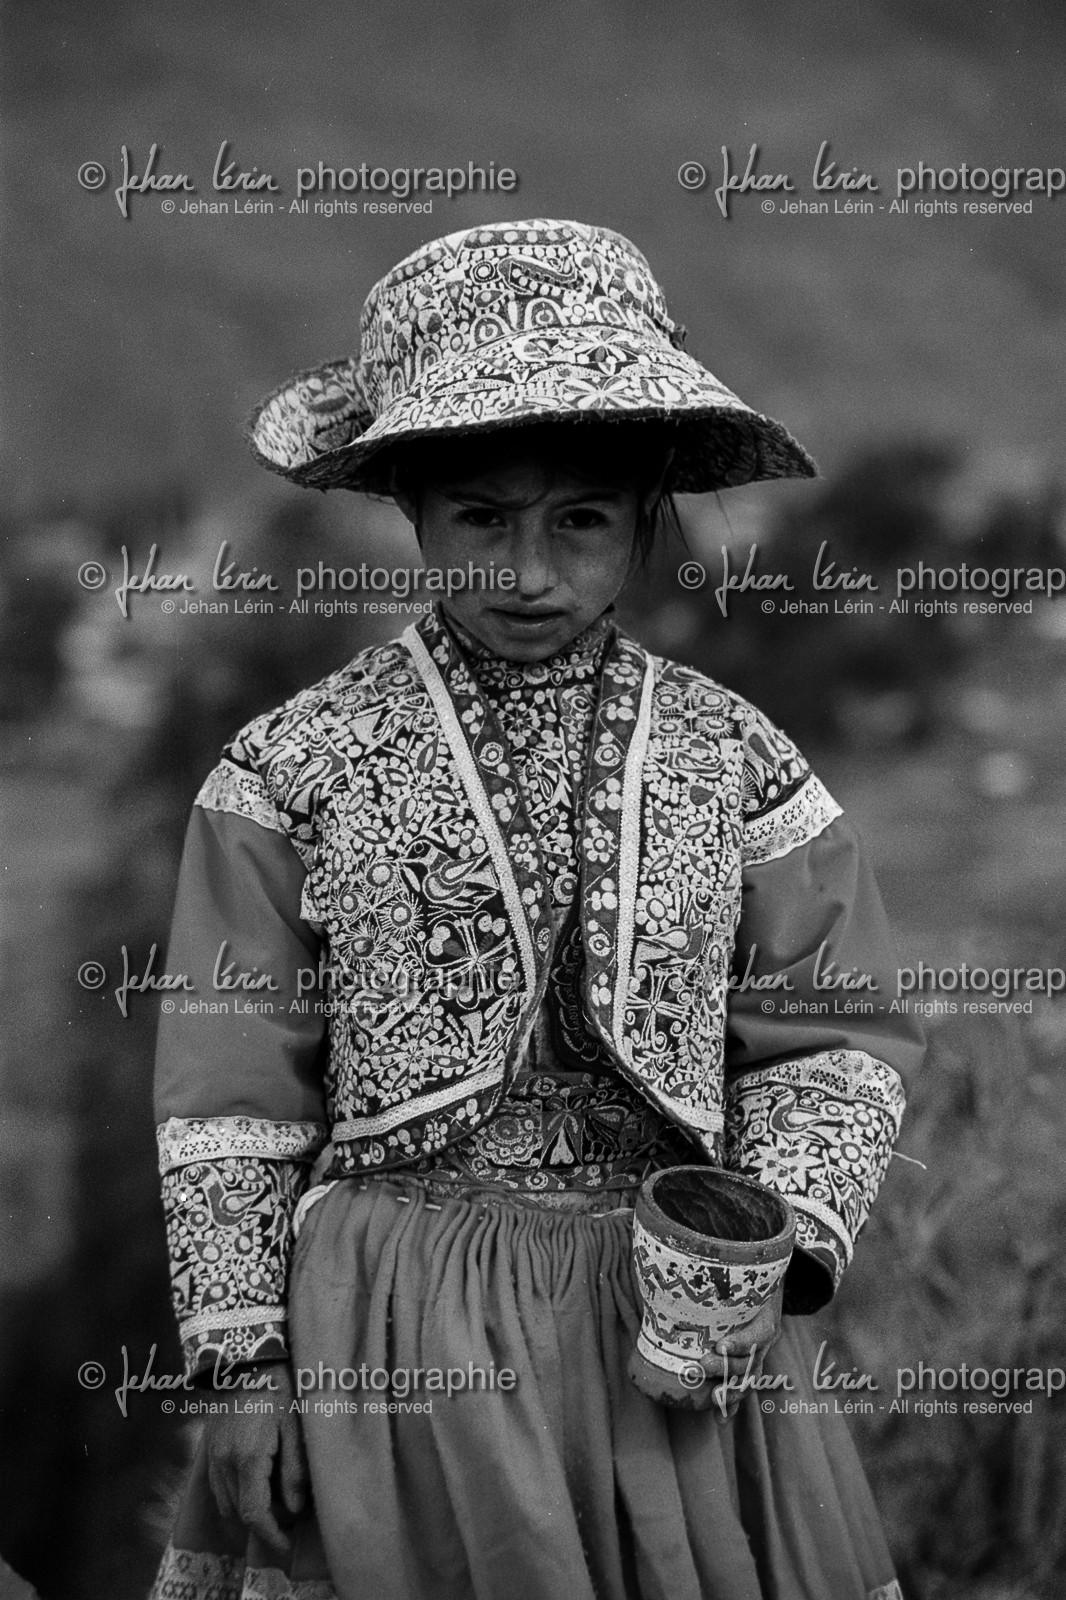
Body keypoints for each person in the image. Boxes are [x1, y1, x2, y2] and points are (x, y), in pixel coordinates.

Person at [150, 219, 924, 1600]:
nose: (526, 570)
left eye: (579, 519)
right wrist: (246, 1359)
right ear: (410, 509)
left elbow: (833, 1035)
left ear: (642, 516)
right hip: (391, 1330)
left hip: (674, 1317)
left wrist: (772, 1246)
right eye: (481, 517)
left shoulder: (737, 761)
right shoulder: (288, 771)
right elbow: (229, 1089)